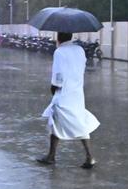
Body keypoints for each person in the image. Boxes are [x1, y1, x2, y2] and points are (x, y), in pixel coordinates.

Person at [37, 32, 98, 168]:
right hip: (77, 92)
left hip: (63, 92)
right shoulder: (80, 50)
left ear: (59, 38)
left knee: (56, 120)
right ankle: (88, 156)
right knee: (78, 121)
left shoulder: (59, 52)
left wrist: (54, 87)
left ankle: (52, 156)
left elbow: (58, 73)